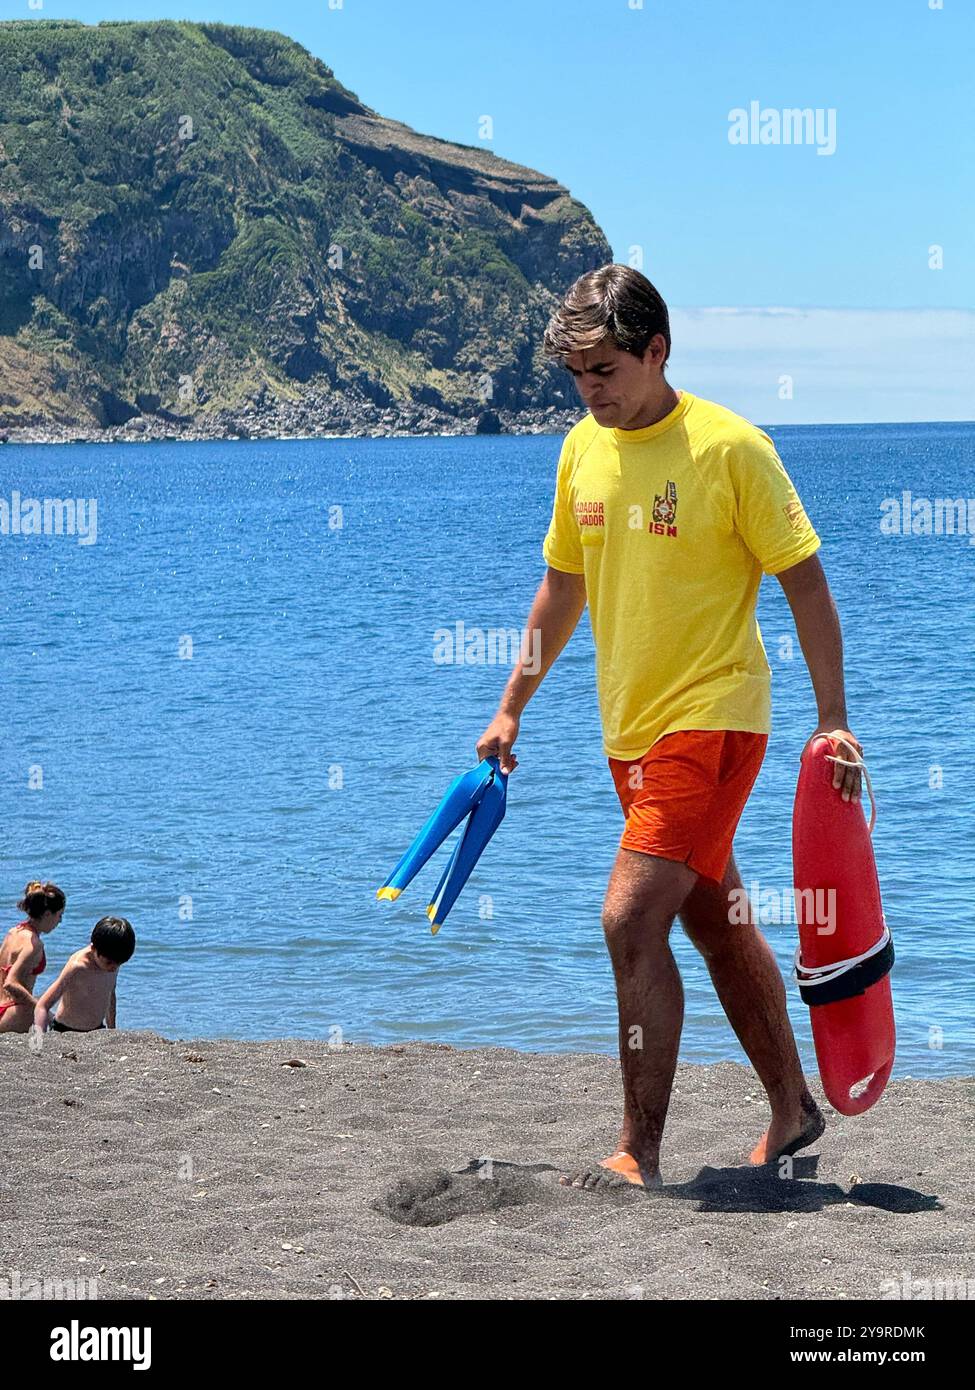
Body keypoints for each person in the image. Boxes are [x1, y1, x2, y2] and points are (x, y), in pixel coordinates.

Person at [476, 264, 863, 1189]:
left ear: (657, 351)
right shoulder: (581, 450)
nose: (589, 391)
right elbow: (563, 588)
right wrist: (509, 703)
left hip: (714, 719)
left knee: (627, 920)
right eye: (576, 375)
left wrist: (834, 722)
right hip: (630, 735)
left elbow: (802, 579)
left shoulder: (731, 449)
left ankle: (636, 1150)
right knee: (717, 921)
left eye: (605, 369)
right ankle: (792, 1107)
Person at [34, 916, 135, 1034]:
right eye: (109, 963)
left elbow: (110, 994)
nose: (114, 968)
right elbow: (43, 1005)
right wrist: (41, 1037)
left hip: (97, 1029)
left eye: (119, 963)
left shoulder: (113, 959)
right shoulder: (77, 967)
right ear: (93, 948)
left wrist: (112, 1030)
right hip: (65, 1029)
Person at [0, 880, 65, 1033]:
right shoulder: (34, 945)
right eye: (59, 915)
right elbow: (10, 984)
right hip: (14, 1012)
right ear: (48, 914)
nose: (60, 921)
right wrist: (42, 1009)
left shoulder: (13, 933)